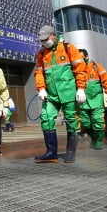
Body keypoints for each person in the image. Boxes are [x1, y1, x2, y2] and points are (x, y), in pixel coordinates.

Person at [34, 25, 87, 163]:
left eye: (46, 39)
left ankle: (70, 153)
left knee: (71, 121)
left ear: (53, 35)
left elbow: (80, 69)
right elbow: (39, 72)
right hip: (51, 94)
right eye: (42, 40)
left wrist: (81, 88)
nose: (44, 42)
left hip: (68, 92)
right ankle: (51, 152)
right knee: (46, 118)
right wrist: (41, 88)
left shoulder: (68, 48)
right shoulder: (41, 54)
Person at [77, 49, 107, 150]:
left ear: (87, 57)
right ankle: (94, 138)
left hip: (96, 99)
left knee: (98, 121)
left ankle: (99, 141)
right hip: (83, 101)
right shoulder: (75, 69)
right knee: (85, 123)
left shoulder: (96, 67)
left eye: (81, 58)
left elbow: (106, 79)